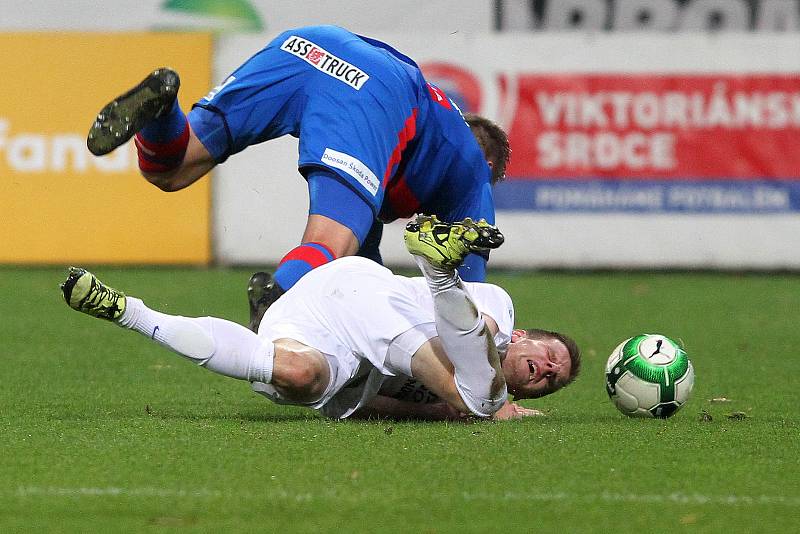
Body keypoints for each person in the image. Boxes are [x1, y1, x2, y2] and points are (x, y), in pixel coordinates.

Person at [86, 25, 511, 333]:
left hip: (308, 46)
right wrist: (483, 390)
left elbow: (359, 272)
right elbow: (472, 307)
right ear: (490, 165)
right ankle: (273, 303)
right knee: (330, 242)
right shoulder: (473, 171)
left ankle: (162, 113)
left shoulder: (415, 146)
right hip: (377, 86)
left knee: (173, 168)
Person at [61, 216, 580, 421]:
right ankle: (437, 267)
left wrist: (440, 411)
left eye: (550, 382)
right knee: (482, 397)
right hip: (371, 300)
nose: (546, 370)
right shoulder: (500, 306)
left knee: (300, 380)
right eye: (549, 355)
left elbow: (373, 401)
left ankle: (128, 311)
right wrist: (488, 410)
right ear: (527, 335)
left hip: (328, 326)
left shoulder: (448, 393)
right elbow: (480, 333)